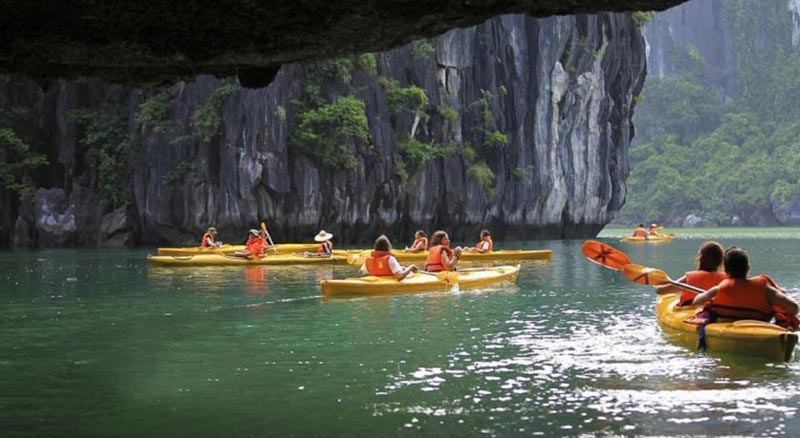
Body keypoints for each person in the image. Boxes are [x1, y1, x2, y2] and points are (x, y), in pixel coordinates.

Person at [692, 247, 799, 321]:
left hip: (727, 325)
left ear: (726, 271)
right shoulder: (767, 290)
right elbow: (794, 308)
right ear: (748, 268)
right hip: (759, 326)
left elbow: (696, 302)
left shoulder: (718, 289)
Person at [655, 241, 727, 306]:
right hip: (716, 312)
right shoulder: (727, 278)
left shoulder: (690, 277)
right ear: (721, 261)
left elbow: (661, 291)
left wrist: (657, 284)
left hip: (689, 311)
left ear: (700, 258)